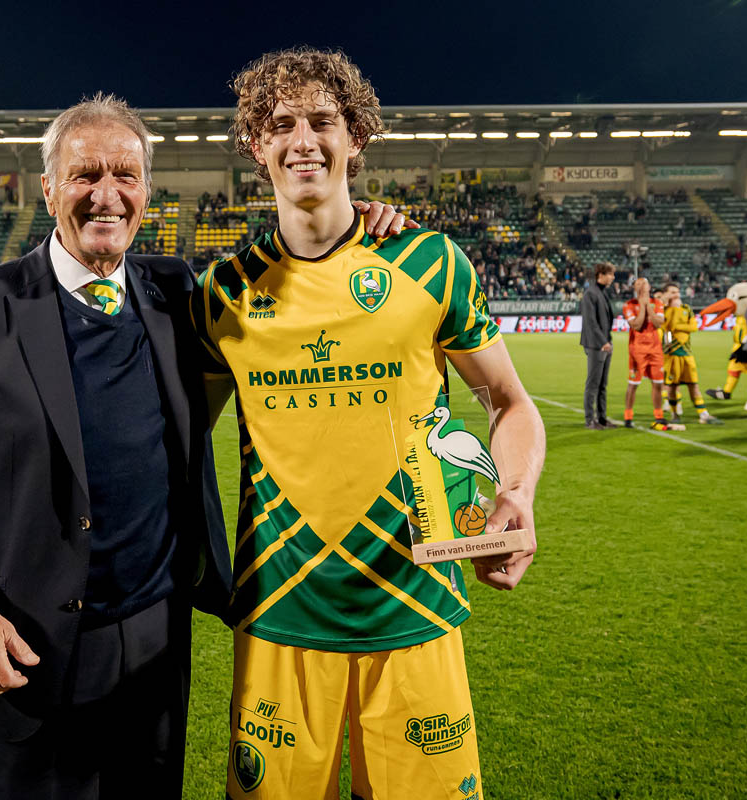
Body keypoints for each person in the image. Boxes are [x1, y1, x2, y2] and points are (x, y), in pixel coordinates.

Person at [194, 48, 545, 800]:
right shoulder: (222, 290)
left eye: (322, 120)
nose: (303, 139)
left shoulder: (430, 262)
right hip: (279, 616)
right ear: (257, 147)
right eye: (281, 123)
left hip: (417, 608)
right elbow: (169, 430)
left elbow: (509, 402)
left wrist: (517, 492)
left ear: (357, 135)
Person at [0, 95, 235, 800]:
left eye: (125, 175)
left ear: (147, 191)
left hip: (158, 648)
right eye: (85, 175)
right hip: (34, 656)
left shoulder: (173, 291)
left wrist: (375, 222)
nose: (107, 195)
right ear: (48, 189)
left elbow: (301, 272)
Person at [660, 282, 720, 424]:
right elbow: (667, 328)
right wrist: (675, 314)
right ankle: (675, 415)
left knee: (694, 385)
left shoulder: (686, 308)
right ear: (665, 294)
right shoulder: (663, 310)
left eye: (677, 291)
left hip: (687, 353)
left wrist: (679, 327)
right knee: (673, 387)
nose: (676, 294)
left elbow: (694, 326)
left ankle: (703, 414)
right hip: (672, 354)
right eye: (672, 292)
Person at [622, 277, 668, 430]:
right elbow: (636, 325)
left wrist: (648, 307)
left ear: (649, 286)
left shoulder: (658, 303)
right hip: (637, 350)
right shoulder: (629, 305)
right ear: (634, 288)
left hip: (655, 350)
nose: (641, 286)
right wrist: (642, 307)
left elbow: (658, 323)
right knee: (633, 384)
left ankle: (659, 415)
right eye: (638, 284)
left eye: (644, 283)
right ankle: (628, 416)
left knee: (658, 383)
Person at [579, 262, 616, 429]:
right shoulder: (590, 294)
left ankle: (602, 418)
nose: (613, 277)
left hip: (605, 343)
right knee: (593, 384)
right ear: (600, 275)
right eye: (610, 274)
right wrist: (603, 342)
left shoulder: (601, 293)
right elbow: (591, 323)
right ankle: (590, 420)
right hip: (597, 345)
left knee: (603, 384)